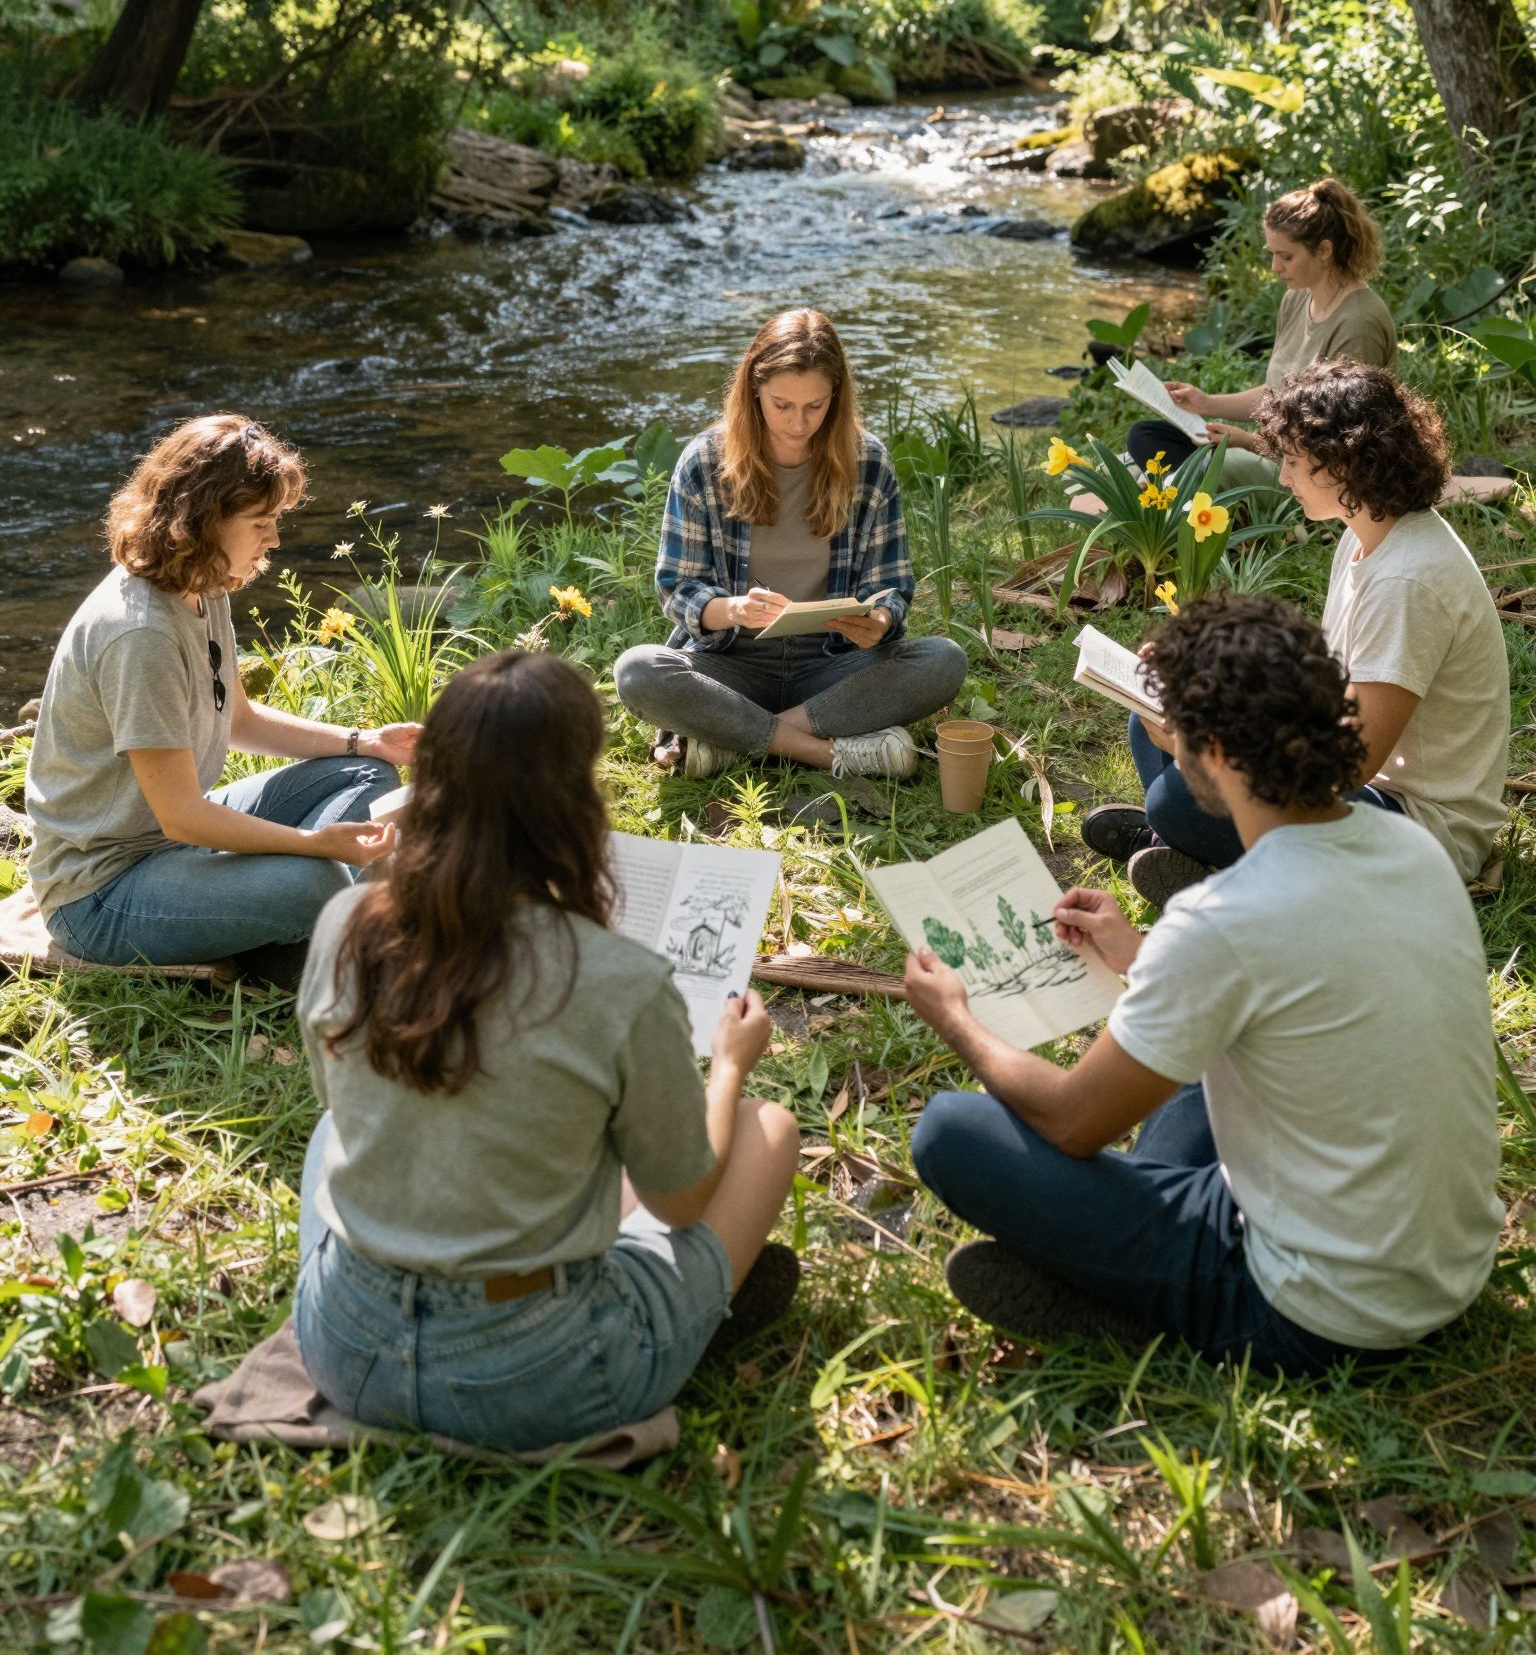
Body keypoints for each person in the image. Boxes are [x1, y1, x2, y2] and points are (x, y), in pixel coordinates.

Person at [907, 596, 1502, 1374]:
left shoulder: (1225, 920)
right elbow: (1301, 973)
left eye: (1173, 726)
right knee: (1206, 1067)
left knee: (950, 1133)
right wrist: (1137, 950)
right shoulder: (1406, 845)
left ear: (1214, 751)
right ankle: (1123, 1258)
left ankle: (1140, 1302)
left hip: (1314, 1311)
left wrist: (957, 1018)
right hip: (1442, 1266)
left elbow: (1071, 1121)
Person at [294, 649, 802, 1453]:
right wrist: (732, 1061)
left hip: (346, 1345)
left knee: (333, 1137)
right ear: (574, 797)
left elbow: (339, 1101)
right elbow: (681, 1202)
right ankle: (688, 1316)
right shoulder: (618, 978)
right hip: (538, 1372)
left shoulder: (347, 925)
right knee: (768, 1131)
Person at [1086, 360, 1509, 905]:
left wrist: (1200, 749)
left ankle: (1189, 843)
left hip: (1416, 832)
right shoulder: (1365, 535)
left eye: (1292, 460)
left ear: (1343, 464)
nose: (1283, 477)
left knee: (1177, 795)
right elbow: (1325, 696)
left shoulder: (1407, 581)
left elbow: (1349, 762)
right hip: (1363, 794)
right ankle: (1197, 849)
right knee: (1154, 716)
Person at [24, 415, 412, 981]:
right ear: (202, 522)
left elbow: (239, 720)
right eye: (261, 522)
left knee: (361, 774)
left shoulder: (203, 585)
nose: (275, 539)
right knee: (317, 879)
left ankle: (307, 923)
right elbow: (182, 816)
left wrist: (367, 740)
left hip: (174, 844)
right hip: (104, 890)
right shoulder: (142, 635)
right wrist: (311, 844)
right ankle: (314, 925)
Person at [614, 308, 967, 779]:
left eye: (814, 406)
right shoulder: (704, 461)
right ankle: (828, 753)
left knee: (943, 661)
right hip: (731, 663)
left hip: (833, 668)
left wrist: (879, 621)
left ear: (835, 398)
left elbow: (890, 585)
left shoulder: (868, 462)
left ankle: (734, 739)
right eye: (782, 405)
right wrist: (735, 609)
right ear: (753, 390)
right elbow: (678, 589)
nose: (798, 423)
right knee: (637, 671)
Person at [1124, 177, 1395, 490]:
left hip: (1320, 476)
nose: (1274, 267)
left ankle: (1181, 495)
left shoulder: (1358, 323)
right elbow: (1274, 392)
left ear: (1324, 251)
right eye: (1272, 253)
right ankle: (1182, 491)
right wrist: (1207, 403)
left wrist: (1249, 442)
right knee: (1147, 435)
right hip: (1274, 452)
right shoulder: (1297, 298)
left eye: (1286, 256)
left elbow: (1339, 441)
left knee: (1207, 464)